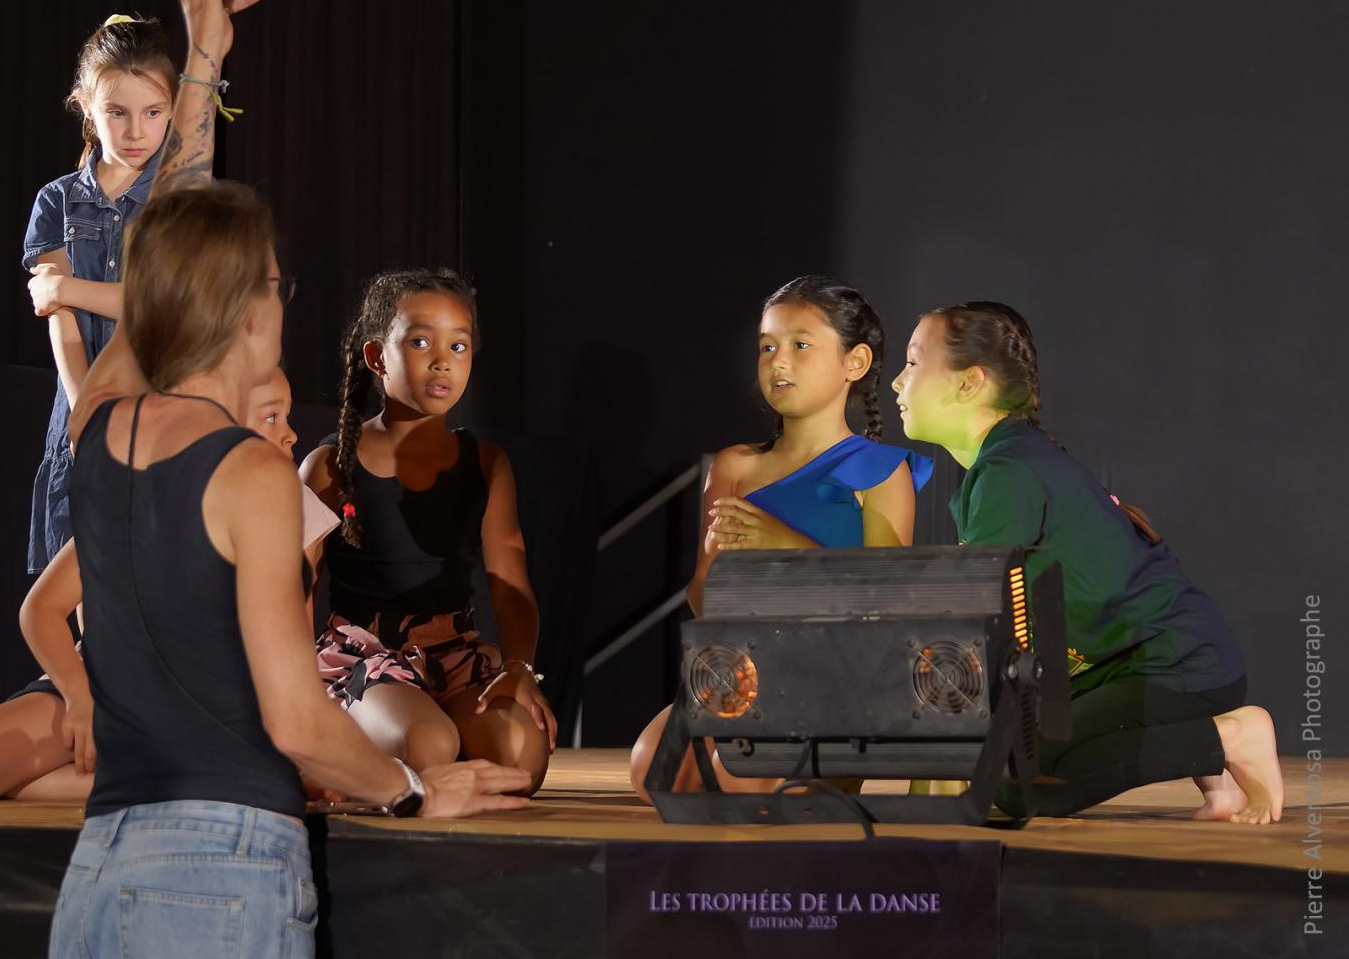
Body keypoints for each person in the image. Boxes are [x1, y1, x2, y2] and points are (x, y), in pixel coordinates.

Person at [40, 0, 530, 959]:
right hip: (219, 869)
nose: (282, 299)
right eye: (274, 283)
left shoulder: (101, 427)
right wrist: (410, 791)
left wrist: (204, 64)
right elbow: (299, 723)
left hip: (100, 869)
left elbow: (165, 244)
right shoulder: (250, 473)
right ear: (243, 309)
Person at [891, 300, 1284, 824]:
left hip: (1176, 665)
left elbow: (971, 622)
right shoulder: (1008, 462)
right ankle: (1219, 777)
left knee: (1020, 786)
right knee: (1010, 750)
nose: (897, 382)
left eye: (913, 362)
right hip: (1143, 665)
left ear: (970, 383)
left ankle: (1231, 739)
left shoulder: (1010, 471)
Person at [0, 369, 331, 801]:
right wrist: (79, 699)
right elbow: (41, 610)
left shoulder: (296, 510)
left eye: (287, 416)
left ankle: (31, 782)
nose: (291, 432)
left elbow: (291, 650)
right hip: (105, 691)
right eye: (271, 417)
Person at [628, 275, 931, 802]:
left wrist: (784, 545)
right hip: (745, 669)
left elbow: (883, 603)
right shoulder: (734, 465)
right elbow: (701, 597)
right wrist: (717, 569)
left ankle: (832, 762)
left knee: (744, 782)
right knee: (656, 774)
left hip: (834, 675)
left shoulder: (881, 471)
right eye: (767, 347)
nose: (778, 361)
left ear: (855, 363)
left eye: (800, 345)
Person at [299, 268, 556, 795]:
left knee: (520, 761)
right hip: (367, 659)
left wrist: (518, 667)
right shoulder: (328, 465)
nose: (442, 361)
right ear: (377, 357)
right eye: (420, 342)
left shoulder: (486, 462)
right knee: (430, 746)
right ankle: (355, 742)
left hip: (454, 658)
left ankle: (422, 751)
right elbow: (295, 586)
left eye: (458, 346)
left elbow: (510, 583)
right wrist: (299, 692)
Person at [22, 15, 176, 573]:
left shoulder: (180, 200)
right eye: (117, 112)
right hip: (79, 410)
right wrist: (85, 406)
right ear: (86, 106)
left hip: (162, 409)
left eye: (152, 112)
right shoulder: (56, 201)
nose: (136, 131)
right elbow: (57, 316)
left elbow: (160, 307)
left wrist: (64, 286)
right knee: (82, 575)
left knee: (153, 576)